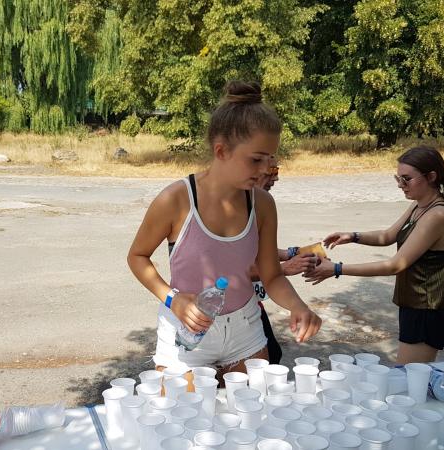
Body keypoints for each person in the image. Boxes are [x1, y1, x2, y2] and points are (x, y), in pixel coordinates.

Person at [127, 81, 322, 380]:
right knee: (183, 411)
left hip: (245, 331)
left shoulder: (263, 204)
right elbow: (137, 256)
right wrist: (172, 299)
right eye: (256, 159)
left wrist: (298, 306)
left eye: (270, 158)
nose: (266, 169)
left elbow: (271, 275)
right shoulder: (176, 200)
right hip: (187, 331)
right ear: (221, 151)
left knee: (252, 409)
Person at [305, 146, 444, 364]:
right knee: (412, 376)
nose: (400, 185)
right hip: (417, 306)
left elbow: (395, 265)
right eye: (398, 178)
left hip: (430, 308)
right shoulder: (419, 207)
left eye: (406, 179)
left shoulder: (438, 215)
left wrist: (337, 269)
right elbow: (388, 236)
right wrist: (353, 236)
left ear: (431, 177)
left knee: (407, 377)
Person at [250, 157, 321, 364]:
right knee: (267, 360)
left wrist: (294, 253)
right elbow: (225, 268)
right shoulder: (230, 207)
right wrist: (283, 268)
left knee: (272, 355)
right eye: (272, 170)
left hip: (250, 303)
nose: (276, 178)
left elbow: (260, 251)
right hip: (226, 309)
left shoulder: (260, 203)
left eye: (277, 170)